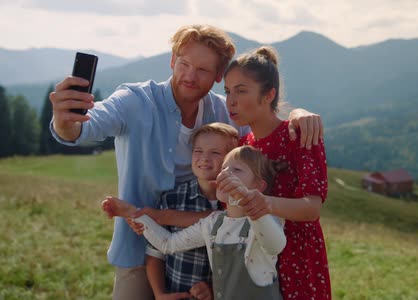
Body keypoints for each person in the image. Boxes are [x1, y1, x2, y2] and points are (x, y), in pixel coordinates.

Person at [49, 24, 323, 300]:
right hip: (138, 250)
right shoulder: (135, 100)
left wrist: (299, 114)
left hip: (205, 262)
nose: (190, 76)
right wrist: (65, 121)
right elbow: (83, 128)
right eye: (184, 63)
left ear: (217, 76)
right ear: (172, 60)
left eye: (203, 70)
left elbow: (262, 128)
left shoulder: (224, 112)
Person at [217, 46, 331, 299]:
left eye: (241, 91)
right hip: (254, 259)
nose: (231, 101)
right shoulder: (242, 145)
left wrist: (265, 203)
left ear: (269, 95)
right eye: (228, 91)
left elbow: (312, 208)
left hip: (296, 257)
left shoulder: (299, 136)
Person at [103, 144, 286, 300]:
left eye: (236, 170)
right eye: (224, 168)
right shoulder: (213, 223)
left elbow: (275, 245)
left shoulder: (266, 221)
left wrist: (247, 200)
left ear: (259, 186)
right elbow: (168, 243)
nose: (225, 174)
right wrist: (133, 213)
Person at [102, 122, 239, 299]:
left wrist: (212, 288)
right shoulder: (172, 199)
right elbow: (155, 254)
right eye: (198, 151)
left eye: (215, 153)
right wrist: (159, 294)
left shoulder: (235, 205)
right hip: (176, 292)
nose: (204, 158)